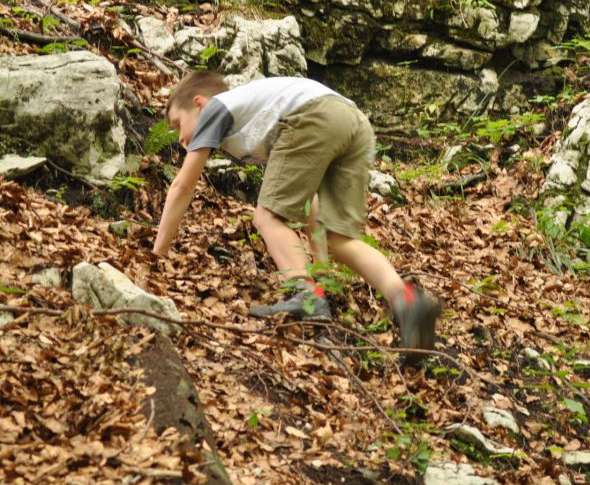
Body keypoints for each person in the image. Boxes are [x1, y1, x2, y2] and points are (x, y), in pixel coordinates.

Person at [153, 71, 441, 359]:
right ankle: (407, 300)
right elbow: (309, 198)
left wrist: (159, 254)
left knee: (267, 218)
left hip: (315, 117)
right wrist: (320, 266)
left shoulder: (216, 109)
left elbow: (182, 186)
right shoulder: (256, 116)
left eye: (179, 123)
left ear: (199, 103)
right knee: (337, 237)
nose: (180, 137)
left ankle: (306, 295)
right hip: (351, 122)